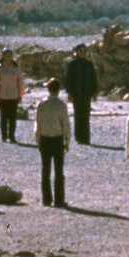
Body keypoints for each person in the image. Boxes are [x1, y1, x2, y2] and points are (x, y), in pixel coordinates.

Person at [34, 78, 71, 207]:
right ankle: (59, 200)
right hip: (57, 139)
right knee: (59, 171)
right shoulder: (61, 105)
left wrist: (37, 140)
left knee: (45, 170)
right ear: (58, 90)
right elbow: (65, 124)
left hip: (44, 139)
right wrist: (67, 140)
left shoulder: (41, 104)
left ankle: (46, 199)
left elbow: (37, 124)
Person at [63, 43, 98, 145]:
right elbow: (68, 80)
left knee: (86, 116)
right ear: (77, 52)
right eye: (80, 51)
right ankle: (79, 138)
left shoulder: (89, 64)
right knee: (78, 116)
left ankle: (86, 138)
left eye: (84, 51)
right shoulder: (72, 65)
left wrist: (94, 92)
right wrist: (69, 92)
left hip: (86, 94)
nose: (82, 53)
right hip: (76, 94)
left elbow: (93, 79)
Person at [0, 48, 24, 143]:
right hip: (3, 96)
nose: (8, 57)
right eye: (6, 55)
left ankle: (12, 136)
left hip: (13, 96)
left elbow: (20, 82)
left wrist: (20, 95)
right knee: (4, 117)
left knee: (13, 118)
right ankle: (4, 136)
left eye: (10, 55)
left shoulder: (16, 68)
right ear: (3, 56)